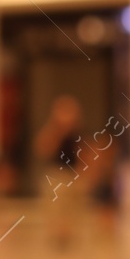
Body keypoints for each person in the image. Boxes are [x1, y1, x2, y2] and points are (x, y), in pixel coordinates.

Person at [33, 95, 86, 247]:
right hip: (56, 173)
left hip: (72, 173)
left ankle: (67, 234)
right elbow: (43, 149)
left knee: (72, 207)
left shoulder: (78, 133)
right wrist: (58, 130)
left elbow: (84, 154)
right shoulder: (53, 131)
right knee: (55, 205)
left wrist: (84, 173)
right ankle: (57, 234)